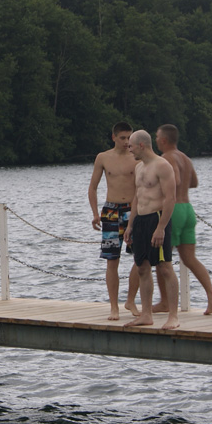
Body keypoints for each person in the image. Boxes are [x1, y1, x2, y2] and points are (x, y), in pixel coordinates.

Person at [154, 124, 212, 315]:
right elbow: (194, 182)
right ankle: (211, 295)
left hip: (173, 210)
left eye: (157, 137)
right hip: (188, 209)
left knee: (162, 259)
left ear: (164, 140)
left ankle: (165, 301)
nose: (155, 140)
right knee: (189, 258)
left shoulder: (167, 157)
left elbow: (176, 180)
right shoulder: (185, 158)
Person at [124, 129, 179, 330]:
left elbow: (170, 198)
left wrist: (161, 227)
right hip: (140, 220)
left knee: (164, 267)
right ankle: (146, 314)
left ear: (141, 145)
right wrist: (130, 225)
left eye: (131, 146)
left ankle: (173, 316)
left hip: (157, 219)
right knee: (142, 267)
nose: (129, 149)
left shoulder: (162, 166)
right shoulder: (139, 167)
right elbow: (137, 196)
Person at [87, 121, 141, 320]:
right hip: (111, 211)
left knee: (140, 258)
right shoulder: (103, 157)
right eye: (123, 138)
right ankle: (113, 307)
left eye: (129, 138)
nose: (127, 142)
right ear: (114, 137)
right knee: (112, 260)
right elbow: (93, 187)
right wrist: (95, 213)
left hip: (132, 210)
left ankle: (131, 300)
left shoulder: (136, 157)